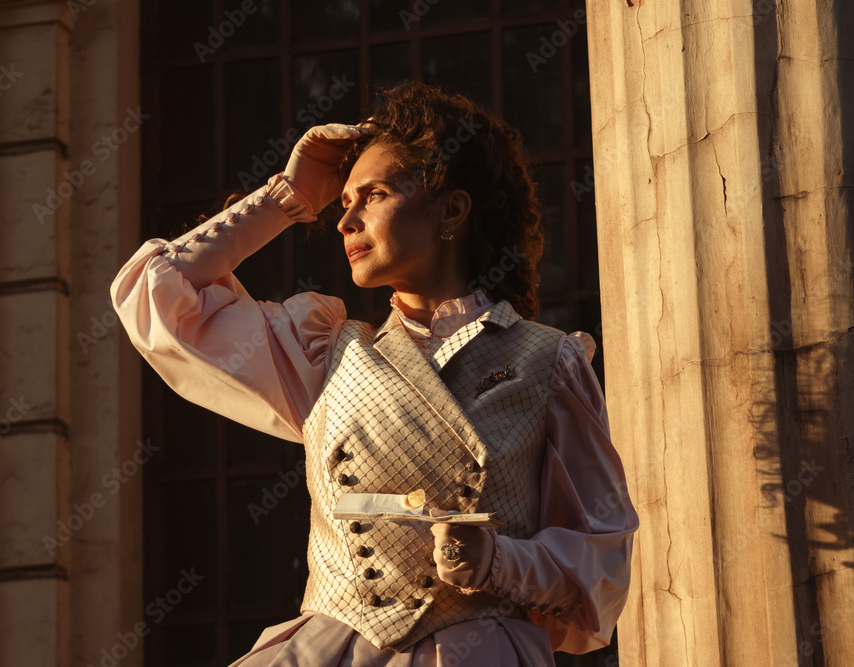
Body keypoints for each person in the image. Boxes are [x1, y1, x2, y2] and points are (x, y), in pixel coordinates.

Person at [111, 81, 638, 666]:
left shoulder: (549, 361)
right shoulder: (322, 353)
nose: (345, 221)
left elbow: (601, 565)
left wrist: (498, 561)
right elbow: (156, 294)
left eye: (375, 195)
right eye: (344, 202)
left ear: (452, 210)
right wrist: (288, 196)